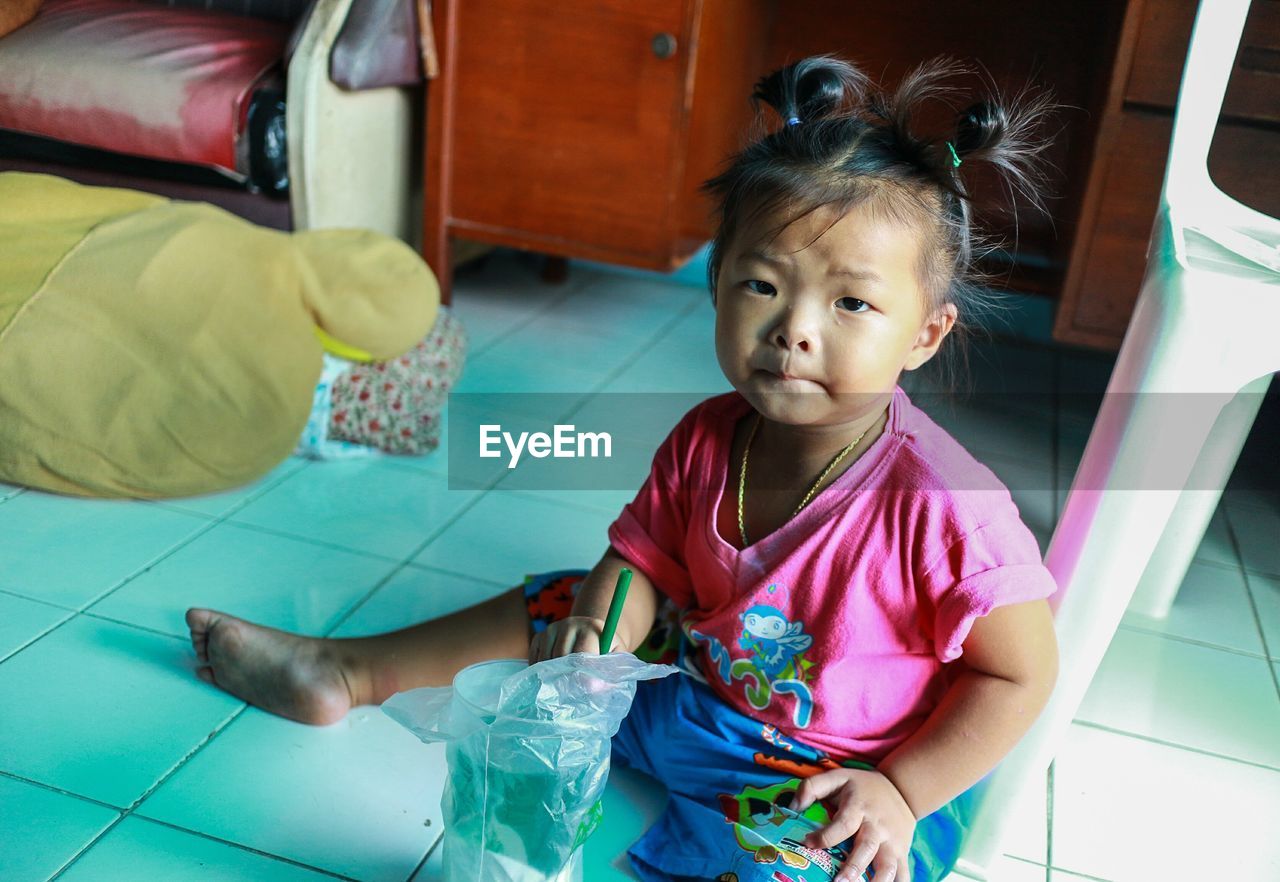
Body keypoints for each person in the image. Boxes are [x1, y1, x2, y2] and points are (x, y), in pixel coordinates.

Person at [186, 56, 1060, 882]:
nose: (795, 327)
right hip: (690, 693)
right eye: (763, 285)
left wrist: (904, 792)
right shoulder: (707, 437)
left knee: (821, 861)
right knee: (567, 602)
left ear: (924, 333)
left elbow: (1019, 674)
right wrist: (598, 635)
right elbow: (642, 562)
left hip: (834, 770)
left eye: (852, 303)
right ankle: (347, 671)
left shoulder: (948, 507)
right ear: (717, 285)